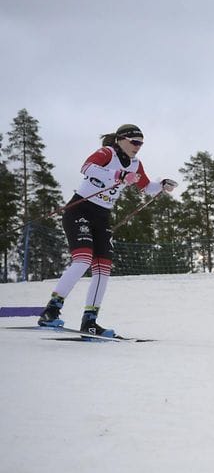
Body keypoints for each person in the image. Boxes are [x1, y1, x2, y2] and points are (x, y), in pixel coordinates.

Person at [37, 124, 178, 336]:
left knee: (103, 269)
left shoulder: (135, 164)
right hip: (80, 210)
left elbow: (146, 186)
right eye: (134, 142)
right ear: (121, 139)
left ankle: (90, 321)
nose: (138, 147)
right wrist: (119, 176)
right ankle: (51, 310)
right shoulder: (107, 153)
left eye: (141, 143)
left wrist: (162, 185)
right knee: (83, 260)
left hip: (102, 216)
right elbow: (86, 167)